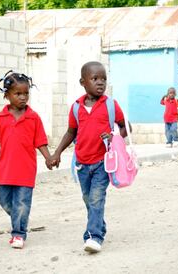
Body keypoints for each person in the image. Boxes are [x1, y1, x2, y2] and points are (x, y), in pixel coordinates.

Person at [51, 61, 128, 253]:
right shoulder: (76, 107)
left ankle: (94, 236)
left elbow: (126, 127)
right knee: (88, 199)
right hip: (82, 164)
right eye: (95, 79)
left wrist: (114, 136)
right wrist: (57, 152)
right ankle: (99, 226)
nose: (100, 83)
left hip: (103, 162)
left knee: (96, 198)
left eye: (103, 79)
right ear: (83, 82)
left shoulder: (111, 105)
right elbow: (70, 132)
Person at [0, 71, 53, 249]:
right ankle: (20, 218)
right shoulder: (0, 118)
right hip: (6, 170)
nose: (23, 97)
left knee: (22, 203)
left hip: (26, 171)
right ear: (7, 95)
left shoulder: (33, 117)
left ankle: (18, 233)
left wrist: (48, 158)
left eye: (26, 93)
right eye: (18, 93)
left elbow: (41, 142)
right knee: (4, 200)